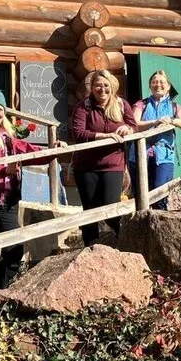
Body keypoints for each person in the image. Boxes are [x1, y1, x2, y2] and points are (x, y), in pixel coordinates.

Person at [0, 90, 64, 295]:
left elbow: (28, 151)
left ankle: (1, 290)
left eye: (0, 109)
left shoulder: (8, 136)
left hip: (8, 200)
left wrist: (53, 149)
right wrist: (3, 169)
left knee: (15, 247)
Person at [69, 69, 137, 246]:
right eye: (98, 85)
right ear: (92, 87)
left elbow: (133, 125)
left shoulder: (121, 105)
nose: (102, 89)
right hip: (86, 166)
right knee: (90, 210)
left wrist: (127, 130)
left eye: (106, 85)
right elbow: (79, 133)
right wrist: (104, 136)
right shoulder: (83, 106)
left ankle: (127, 241)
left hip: (113, 163)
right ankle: (90, 249)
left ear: (112, 87)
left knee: (110, 206)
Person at [129, 70, 181, 210]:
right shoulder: (142, 104)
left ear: (168, 86)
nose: (158, 85)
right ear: (150, 86)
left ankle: (158, 225)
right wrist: (155, 122)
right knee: (140, 194)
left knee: (160, 193)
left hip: (164, 156)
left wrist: (172, 120)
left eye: (162, 82)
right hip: (139, 155)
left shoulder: (174, 107)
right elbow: (134, 124)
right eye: (154, 82)